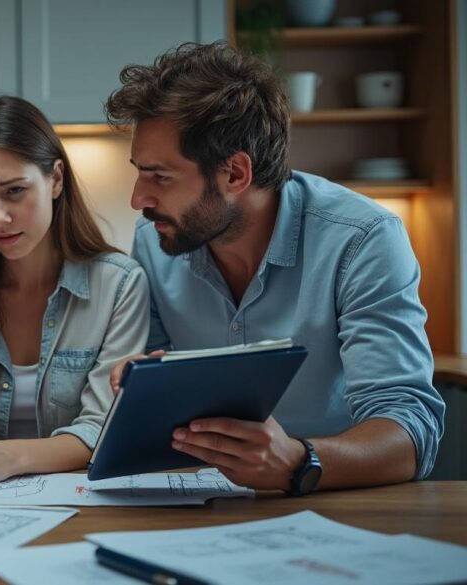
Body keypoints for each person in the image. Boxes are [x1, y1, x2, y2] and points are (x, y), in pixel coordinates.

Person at [106, 42, 444, 494]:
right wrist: (145, 386)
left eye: (160, 176)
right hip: (204, 503)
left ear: (235, 174)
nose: (138, 199)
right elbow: (160, 400)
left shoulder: (362, 239)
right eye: (139, 172)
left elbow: (410, 434)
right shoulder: (155, 240)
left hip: (340, 504)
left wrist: (301, 461)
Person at [0, 96, 150, 485]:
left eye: (14, 191)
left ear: (56, 180)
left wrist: (4, 458)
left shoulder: (120, 284)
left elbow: (100, 428)